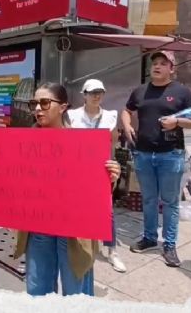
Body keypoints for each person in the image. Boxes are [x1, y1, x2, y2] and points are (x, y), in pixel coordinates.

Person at [0, 82, 121, 296]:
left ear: (62, 107)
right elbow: (10, 179)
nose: (38, 109)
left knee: (75, 294)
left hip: (74, 230)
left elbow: (97, 188)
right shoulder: (23, 143)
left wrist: (111, 176)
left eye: (44, 102)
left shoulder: (82, 142)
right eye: (34, 103)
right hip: (39, 226)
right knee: (37, 290)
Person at [120, 51, 191, 268]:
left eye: (162, 64)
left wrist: (177, 121)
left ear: (171, 69)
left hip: (171, 154)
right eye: (154, 63)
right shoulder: (140, 91)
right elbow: (126, 111)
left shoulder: (182, 92)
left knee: (170, 202)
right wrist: (127, 125)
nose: (157, 66)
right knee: (148, 199)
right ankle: (149, 238)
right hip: (143, 153)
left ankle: (170, 245)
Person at [67, 79, 126, 273]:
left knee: (107, 210)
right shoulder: (72, 115)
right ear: (84, 95)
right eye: (92, 92)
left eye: (100, 92)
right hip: (77, 168)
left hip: (101, 168)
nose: (96, 96)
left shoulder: (110, 116)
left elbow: (113, 143)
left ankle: (112, 251)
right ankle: (79, 245)